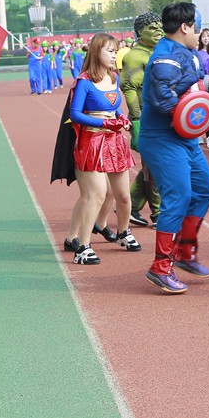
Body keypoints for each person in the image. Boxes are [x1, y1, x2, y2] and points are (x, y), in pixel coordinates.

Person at [138, 2, 209, 293]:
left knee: (204, 189)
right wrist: (189, 116)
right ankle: (161, 267)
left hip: (184, 137)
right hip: (163, 137)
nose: (200, 33)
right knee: (179, 196)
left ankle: (184, 251)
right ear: (185, 27)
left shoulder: (187, 53)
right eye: (197, 27)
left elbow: (195, 85)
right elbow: (162, 97)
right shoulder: (165, 57)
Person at [62, 33, 140, 264]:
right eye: (110, 51)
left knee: (123, 195)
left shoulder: (114, 77)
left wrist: (121, 118)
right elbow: (75, 114)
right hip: (92, 143)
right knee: (95, 195)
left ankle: (123, 233)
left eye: (116, 51)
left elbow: (114, 106)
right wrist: (104, 123)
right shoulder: (84, 81)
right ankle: (82, 248)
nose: (115, 55)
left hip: (115, 142)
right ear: (97, 52)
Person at [121, 12, 164, 229]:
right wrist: (137, 121)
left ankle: (131, 206)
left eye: (159, 27)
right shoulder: (135, 57)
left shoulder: (157, 52)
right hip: (146, 119)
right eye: (152, 28)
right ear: (140, 32)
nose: (158, 31)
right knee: (156, 166)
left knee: (153, 165)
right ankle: (158, 213)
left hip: (161, 117)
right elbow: (129, 89)